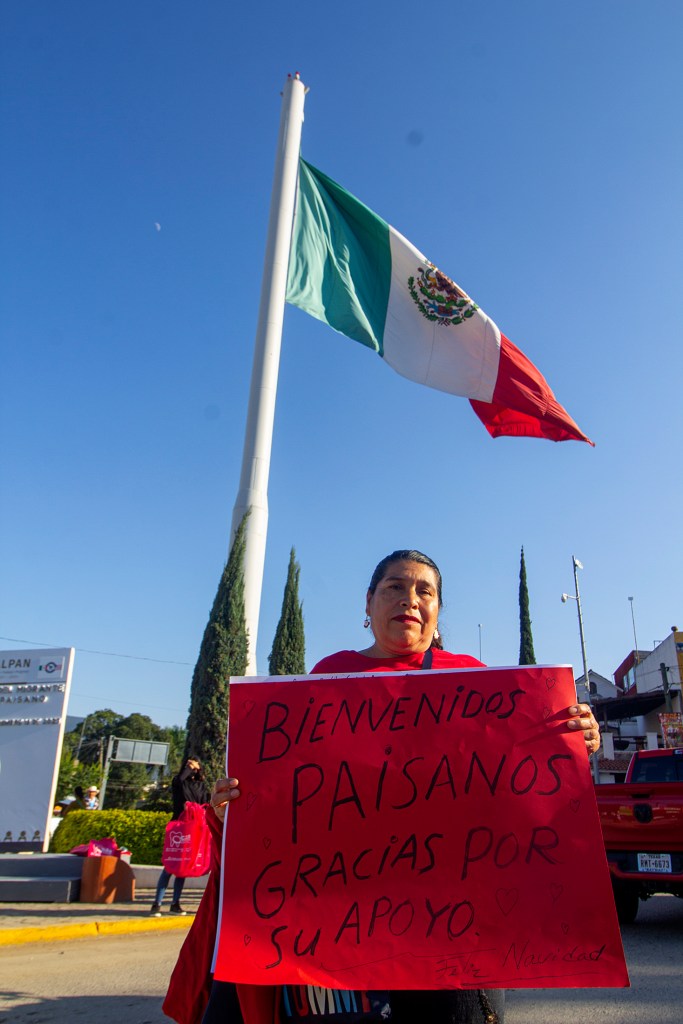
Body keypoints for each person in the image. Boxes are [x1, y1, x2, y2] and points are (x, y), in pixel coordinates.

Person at [165, 550, 601, 1024]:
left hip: (457, 931)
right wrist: (235, 808)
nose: (409, 599)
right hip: (342, 932)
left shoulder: (478, 682)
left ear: (437, 610)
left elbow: (516, 793)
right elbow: (292, 802)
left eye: (424, 591)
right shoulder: (327, 678)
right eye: (395, 587)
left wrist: (571, 739)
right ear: (369, 602)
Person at [151, 756, 211, 917]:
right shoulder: (179, 782)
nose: (191, 767)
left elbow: (206, 804)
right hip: (178, 826)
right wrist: (188, 768)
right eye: (188, 764)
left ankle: (175, 903)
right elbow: (178, 781)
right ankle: (157, 903)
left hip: (193, 828)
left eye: (194, 765)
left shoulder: (201, 786)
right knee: (170, 865)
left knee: (183, 866)